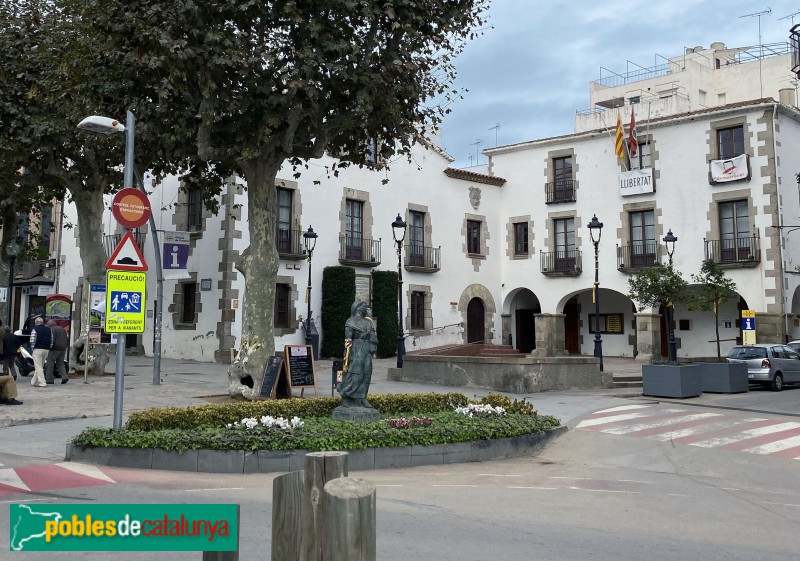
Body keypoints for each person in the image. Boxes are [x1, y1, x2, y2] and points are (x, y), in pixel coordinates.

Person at [338, 300, 378, 408]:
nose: (367, 309)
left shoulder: (368, 322)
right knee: (354, 374)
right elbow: (348, 340)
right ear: (358, 308)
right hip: (356, 349)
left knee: (367, 374)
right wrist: (347, 355)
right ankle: (346, 396)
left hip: (366, 349)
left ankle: (362, 398)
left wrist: (372, 344)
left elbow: (373, 336)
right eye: (365, 306)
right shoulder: (350, 322)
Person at [29, 317, 53, 387]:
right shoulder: (49, 330)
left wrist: (33, 348)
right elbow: (51, 340)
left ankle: (42, 382)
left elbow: (32, 340)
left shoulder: (35, 329)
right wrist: (49, 347)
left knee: (38, 366)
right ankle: (33, 381)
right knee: (40, 366)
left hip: (38, 349)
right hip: (46, 349)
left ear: (36, 323)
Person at [45, 320, 69, 384]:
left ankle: (49, 379)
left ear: (49, 325)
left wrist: (50, 347)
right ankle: (64, 377)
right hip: (63, 348)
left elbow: (52, 339)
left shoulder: (52, 330)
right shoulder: (62, 329)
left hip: (54, 349)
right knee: (61, 363)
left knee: (50, 363)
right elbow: (67, 338)